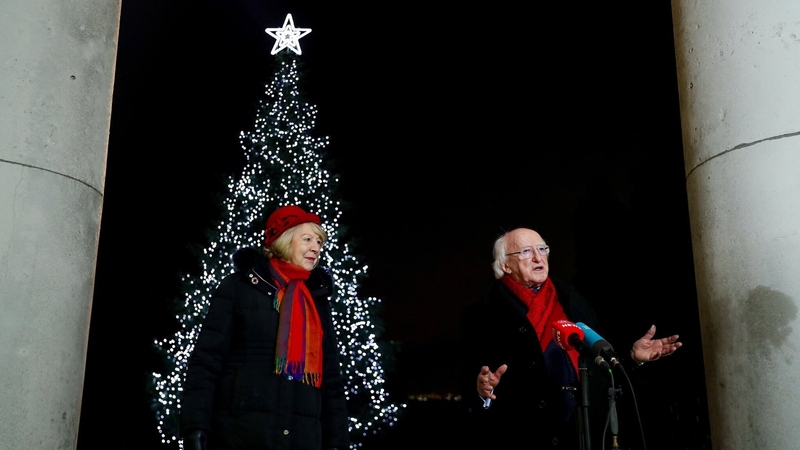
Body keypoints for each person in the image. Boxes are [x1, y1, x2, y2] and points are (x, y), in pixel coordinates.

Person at [459, 227, 682, 449]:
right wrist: (481, 390)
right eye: (526, 252)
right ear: (505, 265)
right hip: (524, 435)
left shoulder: (574, 301)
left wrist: (633, 358)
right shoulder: (482, 315)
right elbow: (469, 381)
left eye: (542, 249)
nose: (538, 257)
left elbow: (603, 368)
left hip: (585, 434)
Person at [180, 205, 350, 450]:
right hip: (240, 435)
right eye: (307, 239)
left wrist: (338, 442)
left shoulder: (317, 300)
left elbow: (331, 377)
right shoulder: (236, 288)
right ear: (284, 240)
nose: (316, 248)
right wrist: (194, 427)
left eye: (319, 242)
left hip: (302, 439)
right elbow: (206, 362)